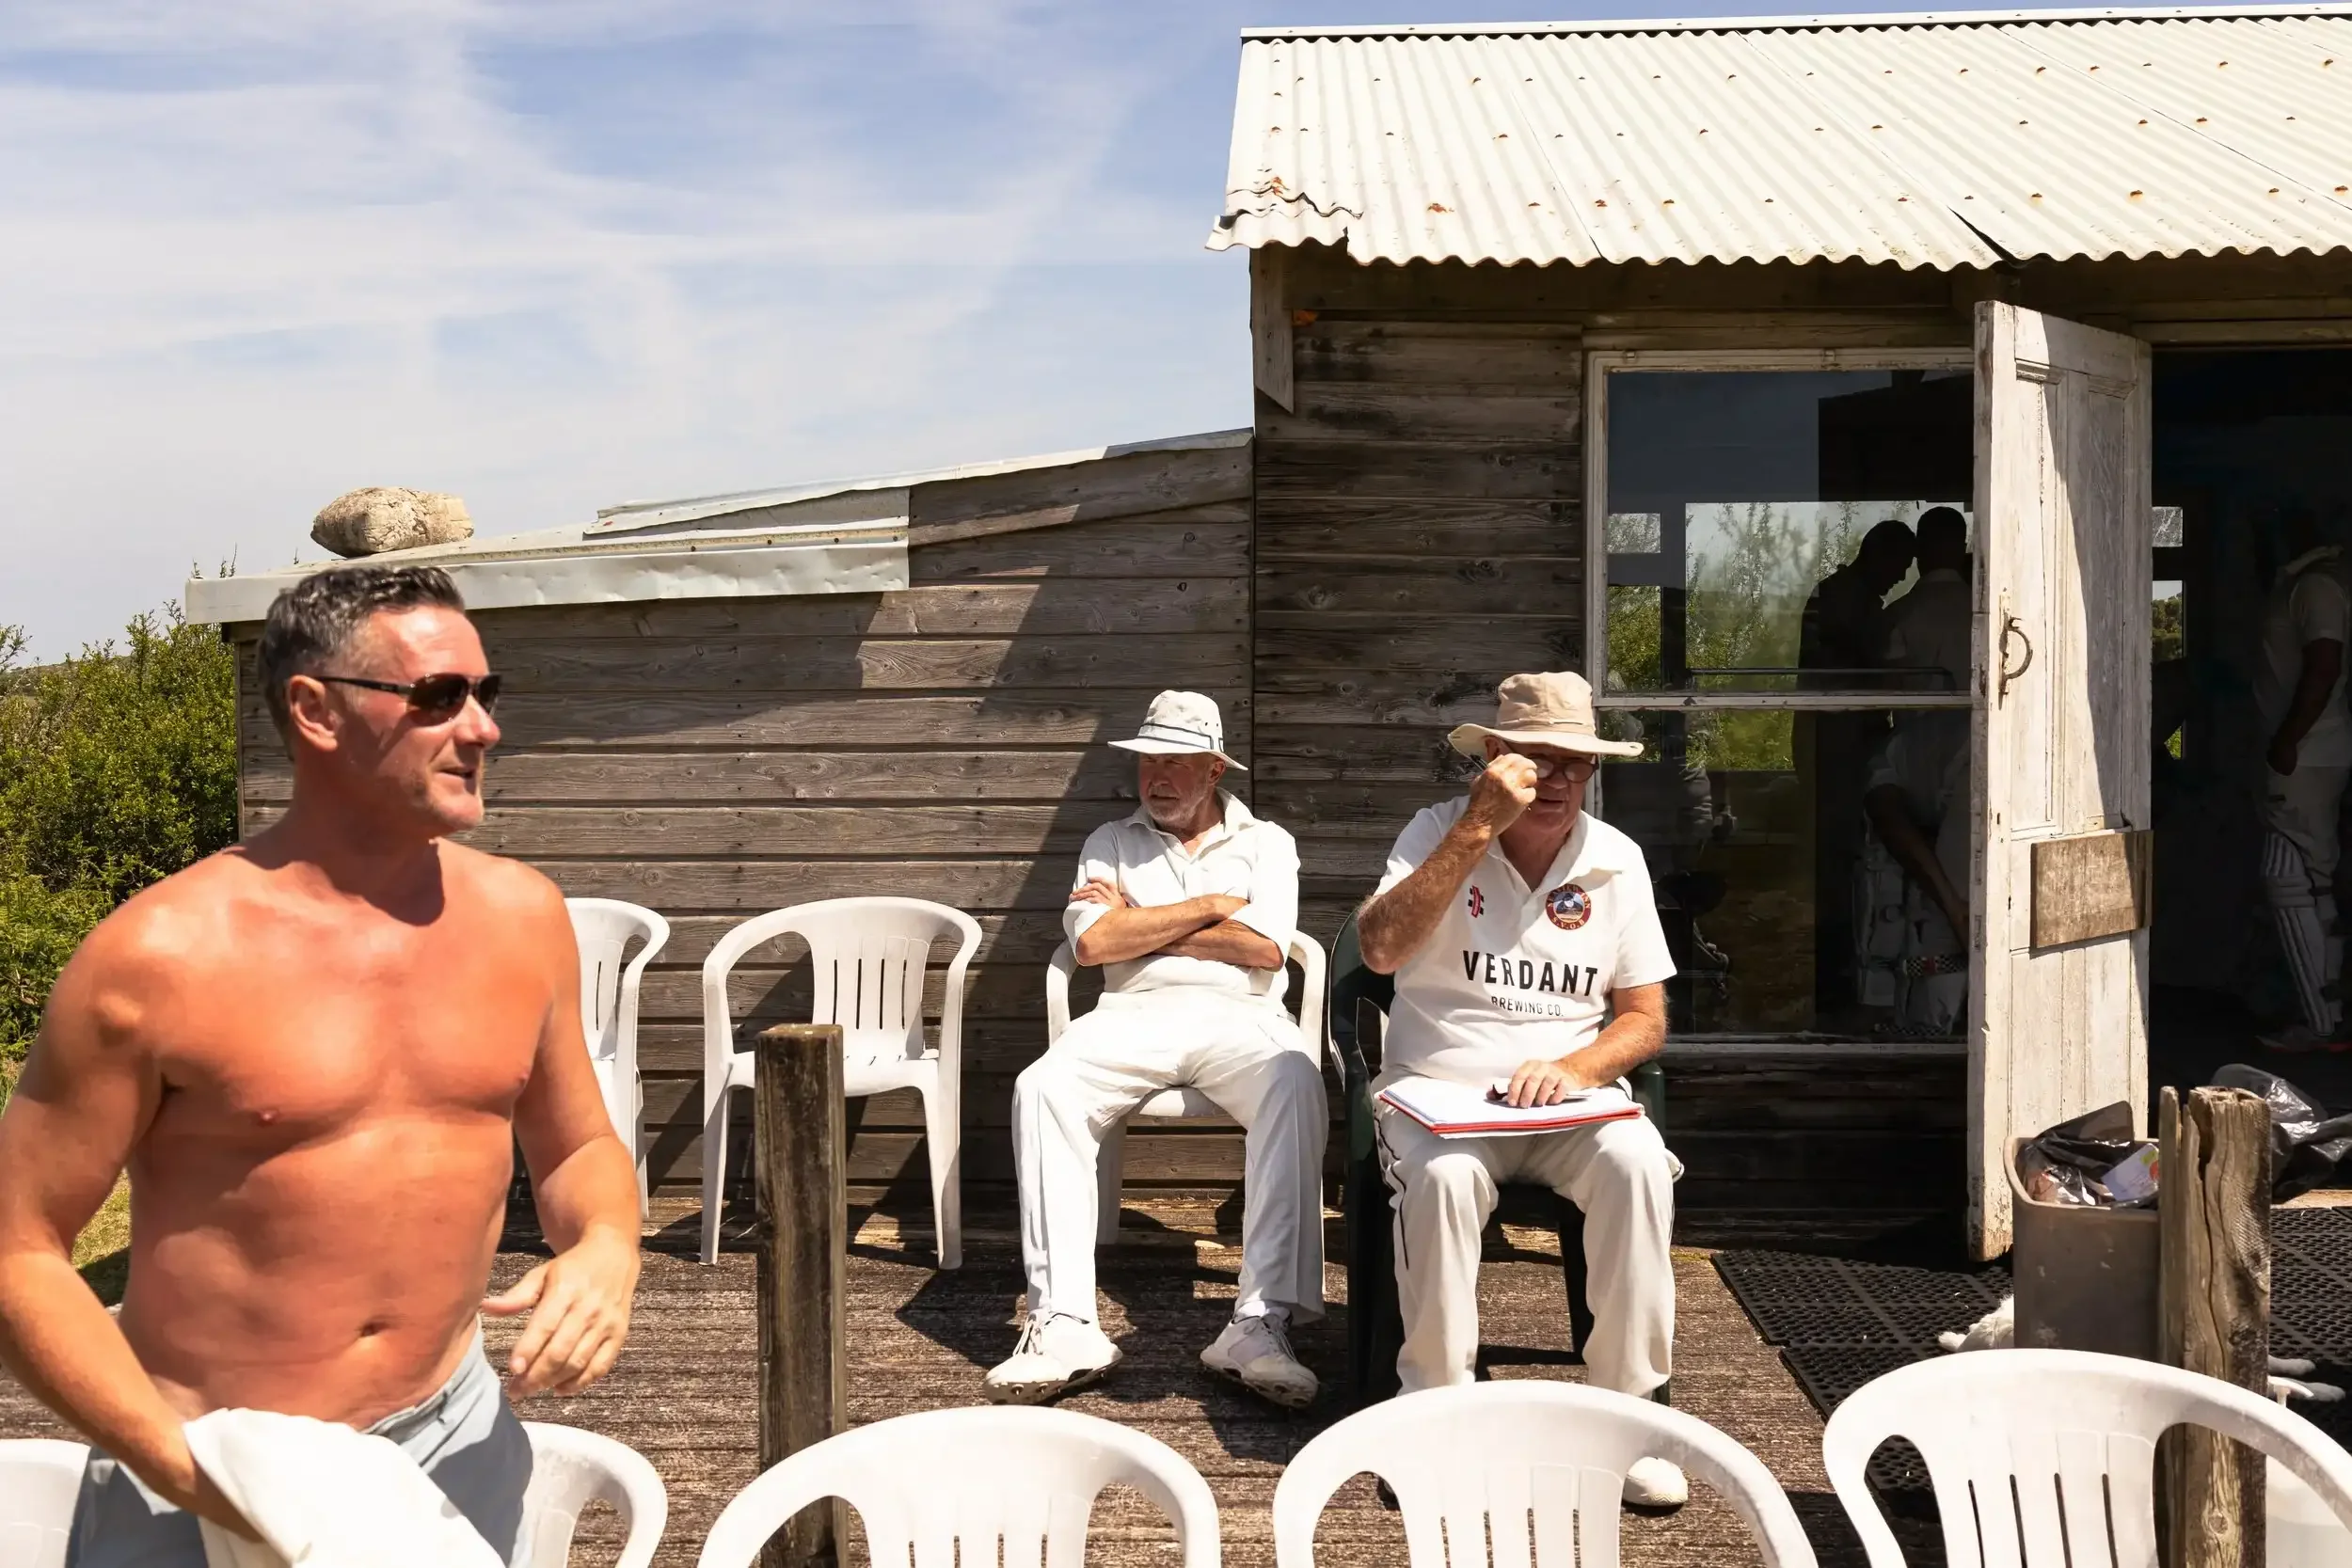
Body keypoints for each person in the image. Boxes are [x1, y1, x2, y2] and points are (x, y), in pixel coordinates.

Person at [0, 566, 642, 1567]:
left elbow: (577, 1146)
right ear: (315, 709)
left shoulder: (524, 919)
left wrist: (607, 1243)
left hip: (456, 1440)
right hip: (207, 1464)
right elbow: (19, 1249)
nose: (482, 728)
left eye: (486, 692)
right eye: (437, 695)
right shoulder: (156, 959)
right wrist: (188, 1473)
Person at [1355, 671, 1685, 1511]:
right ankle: (1436, 1412)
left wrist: (1578, 1069)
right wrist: (1477, 826)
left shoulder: (1616, 858)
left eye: (1577, 762)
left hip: (1566, 1101)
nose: (1558, 780)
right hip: (1438, 1092)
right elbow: (1381, 949)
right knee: (1443, 1180)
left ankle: (1628, 1421)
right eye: (1539, 760)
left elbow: (1645, 1017)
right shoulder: (1436, 829)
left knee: (1638, 1164)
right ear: (1495, 756)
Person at [988, 691, 1326, 1407]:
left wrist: (1139, 923)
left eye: (1175, 762)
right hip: (1131, 1012)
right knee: (1042, 1087)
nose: (1157, 778)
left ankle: (1258, 1326)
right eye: (1148, 763)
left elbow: (1266, 950)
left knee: (1296, 1082)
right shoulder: (1109, 840)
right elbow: (1093, 944)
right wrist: (1211, 907)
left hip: (1241, 1014)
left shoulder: (1268, 842)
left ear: (1214, 769)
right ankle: (1062, 1324)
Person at [1857, 505, 1976, 1034]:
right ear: (1961, 548)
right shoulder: (1992, 611)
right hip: (1987, 755)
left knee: (1940, 913)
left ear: (1923, 553)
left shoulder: (1900, 615)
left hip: (1920, 756)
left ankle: (1929, 1030)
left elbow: (1880, 695)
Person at [2253, 512, 2352, 1052]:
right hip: (2310, 753)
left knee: (2291, 875)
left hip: (2306, 755)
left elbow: (2324, 666)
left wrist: (2288, 740)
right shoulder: (2304, 582)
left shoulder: (2316, 586)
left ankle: (2321, 1024)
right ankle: (2326, 1017)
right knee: (2312, 878)